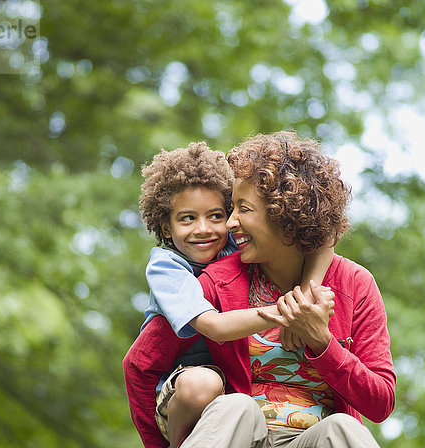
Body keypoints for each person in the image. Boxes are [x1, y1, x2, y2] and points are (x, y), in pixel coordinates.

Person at [124, 131, 396, 448]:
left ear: (284, 214)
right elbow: (141, 365)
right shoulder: (216, 279)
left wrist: (321, 341)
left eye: (243, 209)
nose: (228, 223)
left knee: (342, 428)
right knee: (236, 407)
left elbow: (380, 403)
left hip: (311, 440)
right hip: (241, 437)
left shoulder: (354, 284)